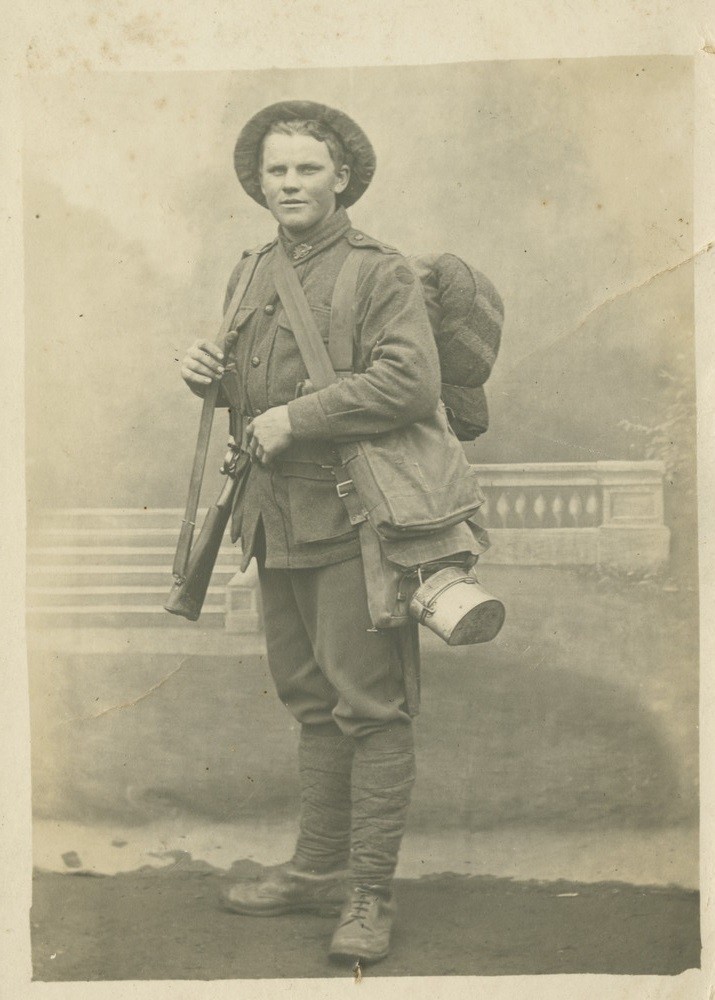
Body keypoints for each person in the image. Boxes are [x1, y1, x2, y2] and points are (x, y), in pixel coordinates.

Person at [179, 100, 482, 965]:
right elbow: (252, 389)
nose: (289, 183)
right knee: (312, 701)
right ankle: (315, 871)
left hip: (360, 519)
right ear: (258, 181)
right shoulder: (250, 270)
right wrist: (209, 374)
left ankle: (368, 893)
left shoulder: (377, 271)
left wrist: (292, 418)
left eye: (306, 168)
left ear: (341, 176)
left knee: (371, 709)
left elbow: (410, 385)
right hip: (275, 520)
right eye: (276, 170)